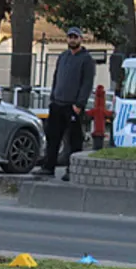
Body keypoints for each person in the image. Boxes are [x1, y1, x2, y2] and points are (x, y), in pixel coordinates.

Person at [40, 26, 96, 179]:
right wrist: (53, 97)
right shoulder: (63, 56)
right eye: (70, 37)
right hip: (57, 103)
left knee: (74, 140)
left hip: (73, 106)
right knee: (53, 137)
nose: (72, 39)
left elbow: (87, 83)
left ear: (80, 39)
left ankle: (72, 170)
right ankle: (48, 167)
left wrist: (79, 104)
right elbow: (56, 77)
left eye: (75, 37)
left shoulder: (87, 59)